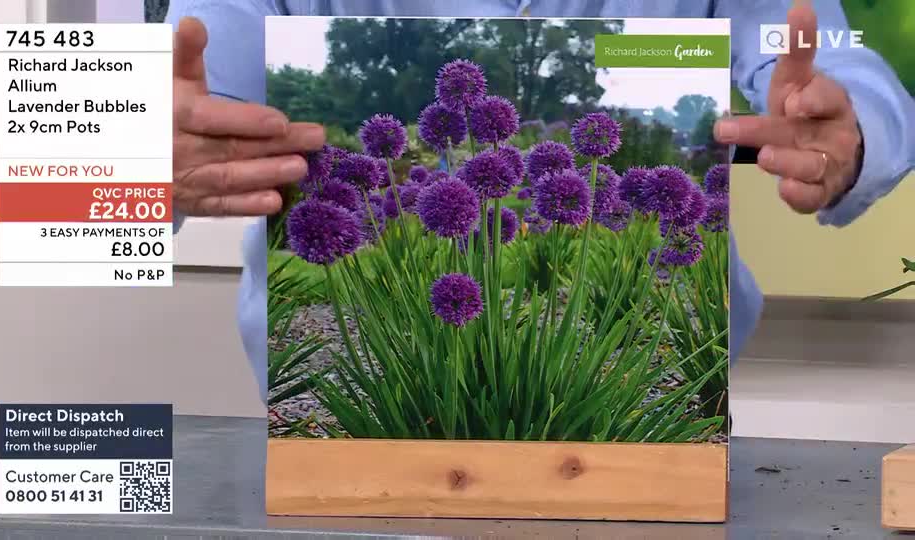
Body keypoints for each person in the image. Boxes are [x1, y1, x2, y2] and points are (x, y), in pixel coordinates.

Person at [165, 0, 915, 403]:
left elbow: (840, 59)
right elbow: (163, 112)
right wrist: (142, 152)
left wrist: (849, 125)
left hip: (661, 436)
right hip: (332, 445)